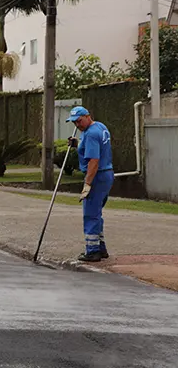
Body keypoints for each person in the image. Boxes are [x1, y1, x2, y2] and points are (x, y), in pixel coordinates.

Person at [66, 106, 113, 262]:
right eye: (74, 123)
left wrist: (87, 184)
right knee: (97, 212)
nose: (77, 125)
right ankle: (101, 248)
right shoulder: (99, 127)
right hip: (107, 174)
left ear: (87, 116)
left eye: (79, 121)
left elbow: (94, 161)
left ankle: (92, 251)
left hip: (97, 176)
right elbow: (94, 148)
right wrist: (77, 144)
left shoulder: (91, 134)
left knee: (91, 214)